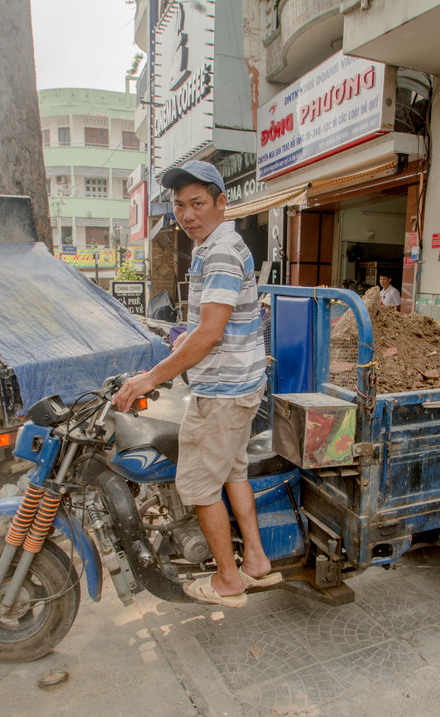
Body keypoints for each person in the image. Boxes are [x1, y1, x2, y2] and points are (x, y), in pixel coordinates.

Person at [112, 160, 280, 608]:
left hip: (223, 391)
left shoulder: (221, 251)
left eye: (198, 204)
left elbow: (211, 334)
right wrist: (182, 341)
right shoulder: (214, 246)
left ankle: (228, 580)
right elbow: (208, 325)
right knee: (233, 471)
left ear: (222, 203)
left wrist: (150, 377)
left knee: (201, 486)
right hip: (238, 383)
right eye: (180, 206)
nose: (187, 215)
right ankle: (257, 562)